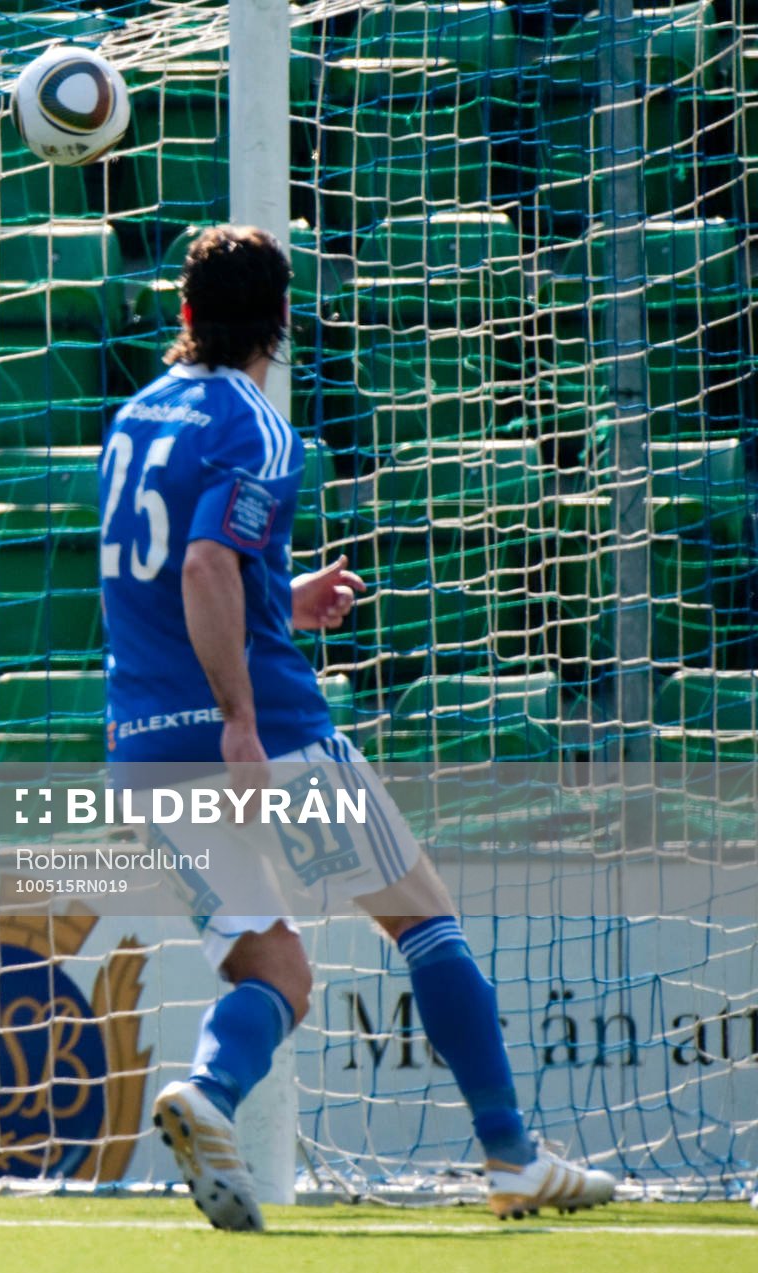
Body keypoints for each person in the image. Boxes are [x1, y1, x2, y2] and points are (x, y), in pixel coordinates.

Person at [98, 224, 616, 1231]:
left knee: (277, 971)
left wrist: (280, 598)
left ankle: (207, 1091)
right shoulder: (258, 426)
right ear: (281, 322)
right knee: (424, 919)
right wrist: (241, 722)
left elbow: (172, 573)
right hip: (268, 737)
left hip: (143, 747)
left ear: (186, 312)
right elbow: (202, 566)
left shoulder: (132, 417)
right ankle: (511, 1154)